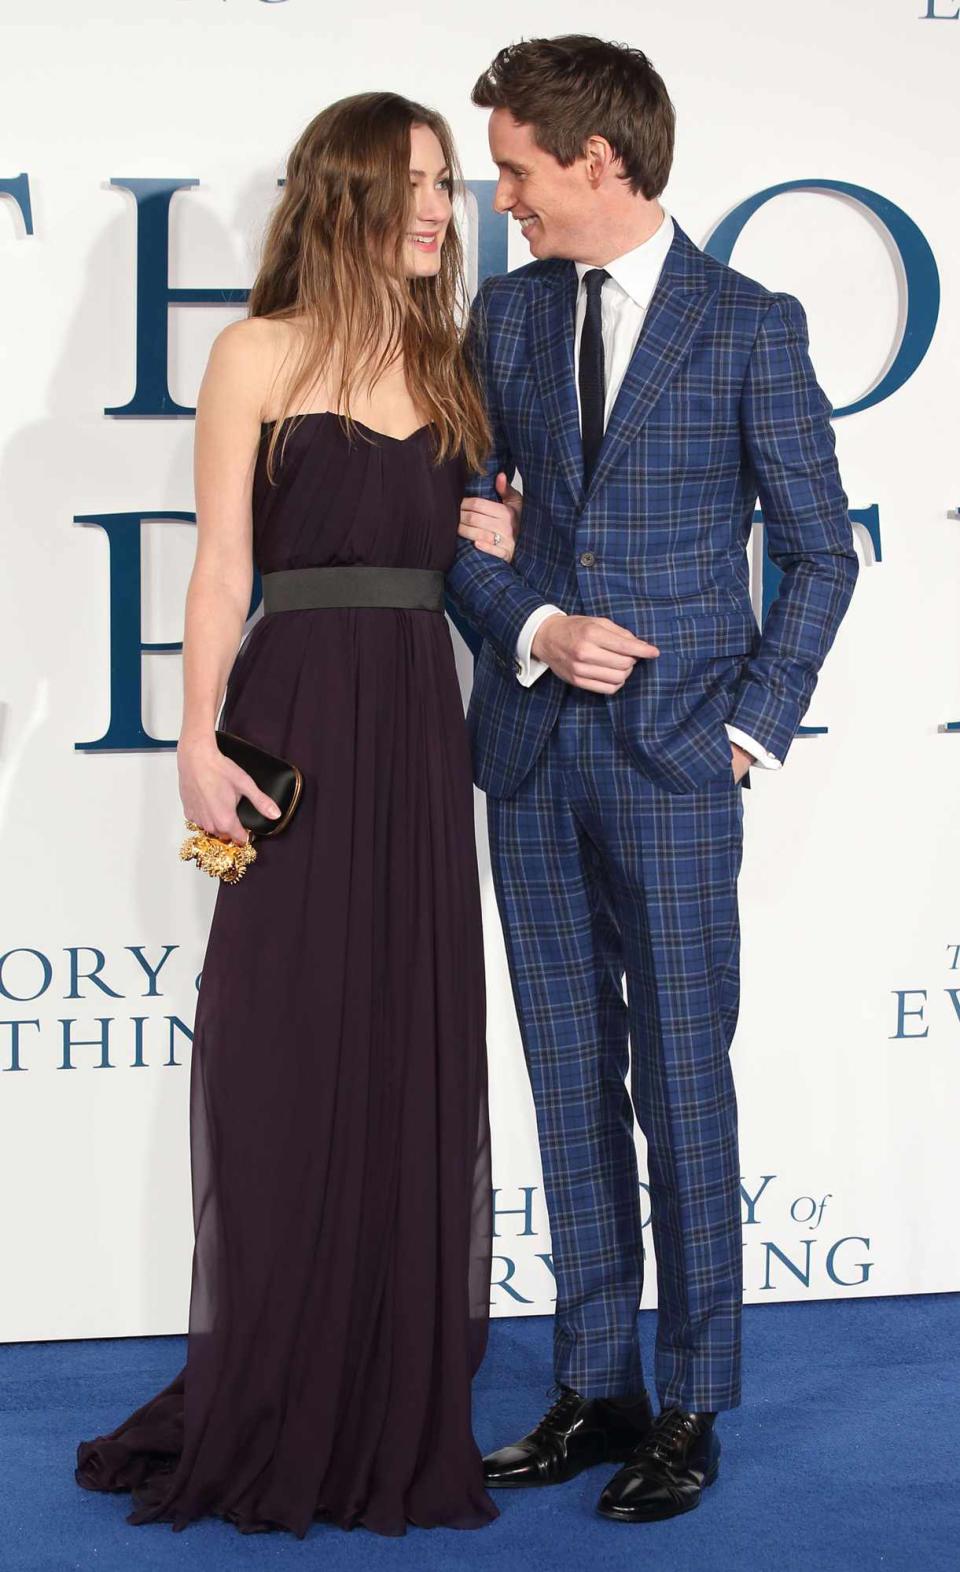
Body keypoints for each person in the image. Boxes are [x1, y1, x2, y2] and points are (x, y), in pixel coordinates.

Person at [75, 92, 501, 1539]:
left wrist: (493, 538)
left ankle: (389, 1390)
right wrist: (193, 737)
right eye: (412, 184)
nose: (439, 210)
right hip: (296, 728)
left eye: (448, 184)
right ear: (341, 193)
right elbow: (217, 572)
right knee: (281, 1050)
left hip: (420, 738)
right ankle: (277, 1381)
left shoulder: (454, 358)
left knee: (407, 1049)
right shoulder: (252, 351)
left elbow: (486, 550)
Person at [449, 35, 858, 1523]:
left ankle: (690, 1401)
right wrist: (538, 624)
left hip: (682, 766)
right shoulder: (504, 316)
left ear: (599, 160)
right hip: (534, 751)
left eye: (516, 171)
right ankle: (593, 1378)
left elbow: (819, 551)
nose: (503, 201)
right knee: (568, 1082)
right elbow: (461, 526)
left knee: (682, 1085)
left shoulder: (750, 324)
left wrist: (746, 729)